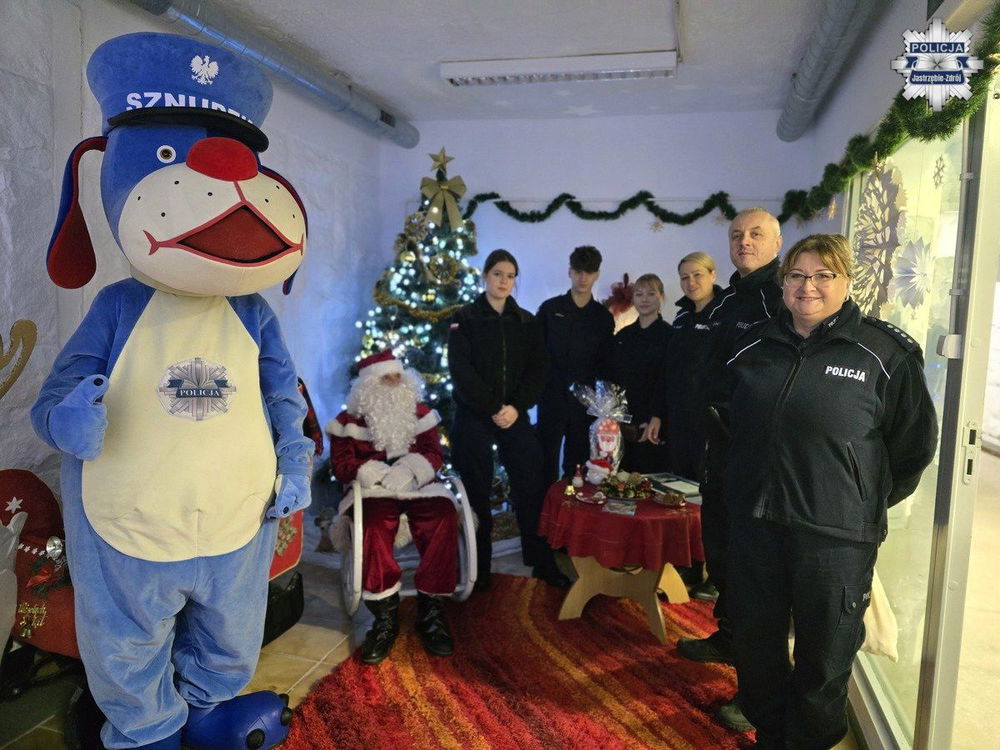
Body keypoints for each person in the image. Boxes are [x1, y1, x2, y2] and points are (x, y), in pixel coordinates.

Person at [723, 234, 937, 749]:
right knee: (755, 646)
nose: (808, 287)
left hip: (835, 538)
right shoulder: (752, 346)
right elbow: (726, 425)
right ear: (783, 282)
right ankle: (771, 733)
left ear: (846, 282)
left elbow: (912, 448)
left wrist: (858, 497)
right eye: (797, 275)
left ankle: (810, 742)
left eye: (824, 275)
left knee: (824, 659)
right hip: (757, 526)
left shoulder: (885, 353)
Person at [673, 208, 784, 732]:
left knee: (755, 574)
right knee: (721, 552)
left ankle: (758, 695)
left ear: (777, 243)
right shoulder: (727, 300)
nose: (745, 242)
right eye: (737, 235)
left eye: (756, 234)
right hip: (718, 449)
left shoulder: (780, 297)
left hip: (756, 457)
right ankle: (729, 639)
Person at [448, 249, 570, 590]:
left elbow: (538, 369)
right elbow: (461, 370)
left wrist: (516, 407)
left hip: (514, 415)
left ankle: (541, 561)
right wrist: (491, 406)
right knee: (476, 491)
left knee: (533, 484)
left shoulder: (526, 321)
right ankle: (479, 569)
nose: (504, 281)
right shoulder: (464, 318)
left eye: (511, 276)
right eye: (498, 274)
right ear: (485, 275)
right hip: (474, 415)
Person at [328, 351, 458, 664]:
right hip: (373, 490)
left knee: (442, 515)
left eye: (398, 376)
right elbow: (342, 465)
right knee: (373, 524)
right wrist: (373, 472)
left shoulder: (420, 413)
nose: (394, 382)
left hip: (417, 484)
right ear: (367, 385)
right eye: (386, 377)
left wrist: (411, 469)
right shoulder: (347, 422)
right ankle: (385, 616)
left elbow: (434, 454)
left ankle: (431, 611)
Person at [537, 246, 615, 482]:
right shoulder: (550, 310)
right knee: (543, 461)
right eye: (579, 271)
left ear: (597, 274)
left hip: (584, 404)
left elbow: (606, 364)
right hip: (551, 399)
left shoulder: (602, 317)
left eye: (589, 272)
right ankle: (544, 505)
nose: (583, 278)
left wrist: (604, 406)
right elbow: (535, 354)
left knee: (578, 466)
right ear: (569, 272)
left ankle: (570, 506)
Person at [643, 252, 722, 480]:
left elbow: (729, 376)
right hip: (677, 421)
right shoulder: (681, 318)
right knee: (677, 485)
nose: (691, 282)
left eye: (697, 275)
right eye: (684, 277)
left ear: (713, 275)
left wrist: (718, 429)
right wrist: (657, 415)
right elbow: (668, 371)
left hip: (708, 422)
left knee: (705, 490)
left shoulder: (726, 316)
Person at [611, 273, 672, 473]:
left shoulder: (670, 336)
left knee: (648, 480)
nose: (644, 299)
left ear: (661, 297)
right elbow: (615, 378)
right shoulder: (623, 336)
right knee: (620, 479)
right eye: (639, 294)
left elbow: (667, 381)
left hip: (654, 423)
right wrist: (613, 416)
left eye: (651, 293)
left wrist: (656, 416)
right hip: (622, 422)